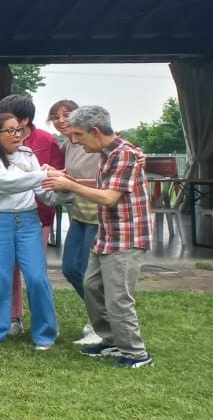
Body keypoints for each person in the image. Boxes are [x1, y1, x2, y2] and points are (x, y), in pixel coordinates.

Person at [43, 105, 155, 369]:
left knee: (118, 298)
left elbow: (109, 197)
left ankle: (137, 354)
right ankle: (112, 340)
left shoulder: (125, 154)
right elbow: (105, 184)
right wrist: (72, 179)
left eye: (80, 135)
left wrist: (70, 185)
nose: (76, 141)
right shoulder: (107, 153)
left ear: (95, 131)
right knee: (92, 287)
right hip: (107, 234)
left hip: (127, 237)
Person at [0, 113, 59, 349]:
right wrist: (44, 174)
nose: (17, 135)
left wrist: (64, 190)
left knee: (37, 278)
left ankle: (45, 334)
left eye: (19, 130)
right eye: (10, 131)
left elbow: (41, 190)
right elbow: (6, 183)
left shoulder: (28, 155)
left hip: (27, 222)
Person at [0, 94, 65, 335]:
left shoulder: (46, 140)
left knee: (35, 271)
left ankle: (43, 323)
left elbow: (58, 174)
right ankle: (13, 317)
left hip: (38, 215)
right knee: (8, 268)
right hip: (4, 215)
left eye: (11, 119)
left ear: (25, 120)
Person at [48, 99, 104, 346]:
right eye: (55, 116)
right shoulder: (67, 146)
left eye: (66, 115)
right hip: (78, 215)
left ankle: (100, 325)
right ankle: (102, 317)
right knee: (71, 269)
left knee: (89, 274)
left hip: (100, 216)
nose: (61, 121)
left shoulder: (96, 142)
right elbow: (68, 176)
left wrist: (71, 184)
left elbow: (109, 179)